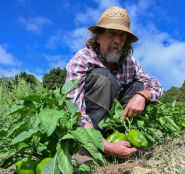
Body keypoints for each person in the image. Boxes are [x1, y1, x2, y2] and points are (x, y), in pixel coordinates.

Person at [66, 6, 163, 160]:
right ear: (98, 37)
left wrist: (143, 95)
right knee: (102, 77)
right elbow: (74, 112)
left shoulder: (129, 62)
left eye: (122, 35)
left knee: (139, 87)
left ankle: (122, 139)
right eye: (111, 33)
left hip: (115, 127)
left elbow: (156, 85)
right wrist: (107, 146)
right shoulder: (83, 59)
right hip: (89, 129)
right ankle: (85, 148)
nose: (117, 40)